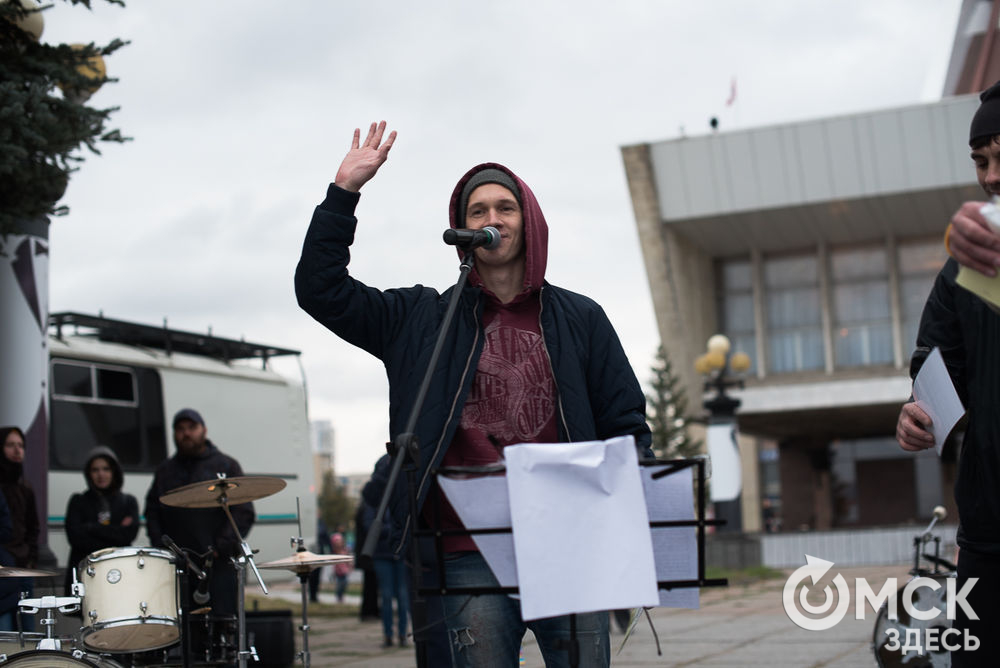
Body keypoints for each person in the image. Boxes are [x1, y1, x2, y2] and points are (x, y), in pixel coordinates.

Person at [295, 122, 652, 667]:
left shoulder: (582, 318)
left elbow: (625, 420)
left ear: (528, 221)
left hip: (568, 538)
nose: (492, 219)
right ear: (462, 230)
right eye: (477, 211)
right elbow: (320, 290)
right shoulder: (420, 320)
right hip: (468, 549)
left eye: (504, 208)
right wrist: (343, 194)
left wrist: (631, 509)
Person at [895, 79, 1000, 667]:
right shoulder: (965, 269)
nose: (990, 176)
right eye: (981, 160)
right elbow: (935, 364)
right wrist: (918, 411)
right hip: (988, 532)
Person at [144, 408, 254, 620]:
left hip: (219, 566)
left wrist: (220, 545)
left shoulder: (225, 465)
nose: (186, 433)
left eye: (192, 428)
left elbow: (243, 512)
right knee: (182, 627)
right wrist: (163, 546)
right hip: (179, 567)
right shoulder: (165, 471)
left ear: (203, 430)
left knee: (222, 624)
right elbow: (152, 512)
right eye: (180, 429)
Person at [64, 446, 140, 595]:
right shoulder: (78, 501)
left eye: (106, 469)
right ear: (88, 473)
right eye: (95, 470)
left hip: (119, 574)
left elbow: (128, 536)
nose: (101, 474)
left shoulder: (128, 502)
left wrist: (91, 527)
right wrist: (114, 532)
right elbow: (76, 538)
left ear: (114, 472)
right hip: (87, 576)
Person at [362, 457, 410, 648]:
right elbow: (368, 524)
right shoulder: (375, 496)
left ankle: (400, 635)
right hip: (384, 552)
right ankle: (391, 635)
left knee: (400, 594)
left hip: (393, 551)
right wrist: (393, 531)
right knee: (390, 594)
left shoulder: (396, 492)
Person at [0, 426, 39, 632]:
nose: (17, 450)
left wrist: (30, 556)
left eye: (20, 446)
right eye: (10, 445)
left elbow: (33, 526)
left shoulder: (25, 487)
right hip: (3, 568)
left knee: (28, 630)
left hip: (23, 566)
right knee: (5, 632)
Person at [329, 532, 351, 603]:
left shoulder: (345, 551)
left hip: (345, 571)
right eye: (337, 542)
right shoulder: (335, 552)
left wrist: (350, 566)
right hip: (338, 572)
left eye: (340, 542)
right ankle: (339, 596)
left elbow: (348, 560)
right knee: (339, 584)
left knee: (345, 583)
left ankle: (341, 595)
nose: (338, 543)